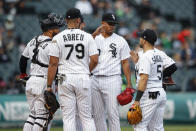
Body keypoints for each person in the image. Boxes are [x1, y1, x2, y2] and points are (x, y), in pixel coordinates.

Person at [46, 8, 98, 131]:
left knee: (68, 118)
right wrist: (86, 70)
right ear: (79, 20)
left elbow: (53, 64)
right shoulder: (87, 37)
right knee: (86, 117)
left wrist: (49, 85)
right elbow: (95, 60)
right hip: (82, 76)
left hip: (64, 78)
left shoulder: (58, 38)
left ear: (66, 20)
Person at [19, 13, 64, 131]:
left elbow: (23, 59)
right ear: (50, 30)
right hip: (43, 81)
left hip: (31, 81)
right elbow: (55, 65)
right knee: (42, 116)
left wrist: (23, 75)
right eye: (56, 28)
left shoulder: (33, 40)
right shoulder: (51, 45)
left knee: (33, 115)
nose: (58, 30)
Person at [91, 13, 133, 131]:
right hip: (94, 79)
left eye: (114, 24)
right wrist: (93, 35)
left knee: (112, 114)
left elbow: (125, 62)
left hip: (112, 79)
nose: (112, 26)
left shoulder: (120, 40)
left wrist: (129, 83)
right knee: (98, 115)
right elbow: (83, 50)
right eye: (110, 24)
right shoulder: (93, 39)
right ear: (102, 24)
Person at [130, 29, 177, 131]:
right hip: (160, 93)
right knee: (157, 128)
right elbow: (154, 72)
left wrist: (137, 100)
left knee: (139, 126)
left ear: (145, 40)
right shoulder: (158, 54)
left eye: (141, 37)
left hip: (149, 94)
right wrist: (137, 63)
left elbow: (144, 79)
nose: (139, 39)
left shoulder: (145, 56)